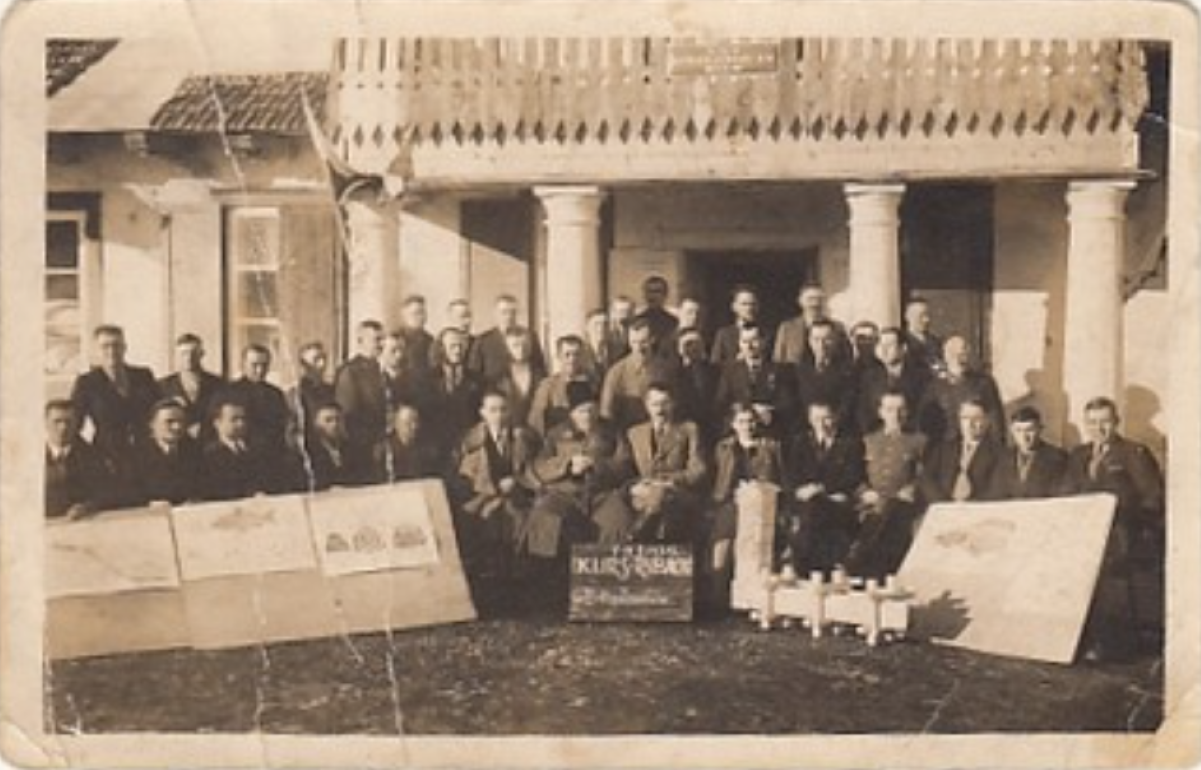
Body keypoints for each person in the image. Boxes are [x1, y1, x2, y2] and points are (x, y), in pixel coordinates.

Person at [1062, 397, 1165, 662]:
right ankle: (1079, 641)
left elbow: (1153, 497)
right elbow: (1065, 492)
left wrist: (1122, 515)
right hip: (1083, 535)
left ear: (1116, 422)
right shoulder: (1078, 455)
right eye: (1092, 423)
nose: (1099, 429)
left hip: (1120, 536)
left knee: (1111, 583)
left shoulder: (1134, 453)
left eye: (1105, 422)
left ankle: (1112, 645)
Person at [593, 383, 707, 545]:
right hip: (644, 491)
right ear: (646, 406)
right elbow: (624, 468)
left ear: (673, 404)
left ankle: (634, 536)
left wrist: (669, 481)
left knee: (660, 495)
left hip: (677, 493)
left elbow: (698, 469)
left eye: (665, 403)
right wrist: (632, 486)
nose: (660, 410)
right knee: (617, 506)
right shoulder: (634, 433)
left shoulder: (689, 429)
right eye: (655, 404)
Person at [526, 382, 624, 560]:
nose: (587, 416)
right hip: (565, 494)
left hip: (602, 494)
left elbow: (625, 464)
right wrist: (567, 465)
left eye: (591, 410)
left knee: (618, 519)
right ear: (571, 413)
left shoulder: (612, 431)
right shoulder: (556, 434)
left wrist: (597, 465)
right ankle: (543, 570)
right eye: (581, 411)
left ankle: (604, 571)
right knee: (544, 514)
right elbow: (540, 466)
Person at [453, 391, 542, 578]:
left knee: (520, 521)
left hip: (516, 496)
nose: (499, 415)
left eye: (503, 410)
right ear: (483, 413)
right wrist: (494, 489)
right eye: (493, 410)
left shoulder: (521, 438)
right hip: (483, 497)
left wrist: (516, 481)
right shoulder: (471, 441)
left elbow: (530, 469)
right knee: (485, 523)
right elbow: (466, 477)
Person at [843, 391, 927, 578]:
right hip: (870, 502)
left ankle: (854, 565)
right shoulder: (868, 441)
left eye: (900, 410)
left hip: (901, 504)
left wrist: (912, 488)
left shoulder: (919, 441)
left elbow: (925, 475)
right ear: (880, 412)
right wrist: (863, 492)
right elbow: (854, 475)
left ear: (907, 412)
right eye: (889, 409)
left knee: (889, 511)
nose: (895, 415)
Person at [708, 403, 786, 597]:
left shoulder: (770, 446)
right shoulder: (724, 447)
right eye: (741, 422)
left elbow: (781, 479)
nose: (747, 426)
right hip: (731, 502)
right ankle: (719, 596)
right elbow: (719, 482)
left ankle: (755, 595)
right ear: (733, 424)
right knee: (722, 543)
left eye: (751, 421)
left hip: (762, 504)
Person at [787, 400, 866, 575]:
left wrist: (822, 489)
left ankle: (810, 568)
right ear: (809, 419)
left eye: (826, 418)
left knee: (819, 514)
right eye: (816, 419)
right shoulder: (800, 442)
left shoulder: (849, 444)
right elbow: (792, 477)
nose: (822, 424)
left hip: (837, 502)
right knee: (810, 511)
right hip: (806, 502)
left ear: (835, 417)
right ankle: (807, 568)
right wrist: (800, 491)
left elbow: (853, 476)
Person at [70, 325, 159, 464]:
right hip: (106, 459)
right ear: (96, 351)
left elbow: (160, 413)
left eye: (116, 345)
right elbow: (73, 425)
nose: (111, 351)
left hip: (145, 455)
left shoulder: (143, 376)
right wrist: (87, 455)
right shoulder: (87, 383)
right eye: (105, 346)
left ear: (125, 348)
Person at [715, 323, 797, 439]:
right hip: (739, 432)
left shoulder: (779, 370)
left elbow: (788, 404)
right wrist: (747, 410)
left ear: (763, 342)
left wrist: (771, 413)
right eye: (744, 342)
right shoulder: (730, 372)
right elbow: (721, 404)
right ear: (739, 344)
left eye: (754, 341)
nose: (749, 346)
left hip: (770, 431)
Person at [917, 335, 1005, 443]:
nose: (959, 360)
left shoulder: (983, 383)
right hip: (945, 446)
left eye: (963, 354)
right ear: (946, 357)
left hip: (977, 444)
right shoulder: (934, 387)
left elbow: (996, 421)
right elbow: (925, 424)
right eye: (953, 354)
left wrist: (997, 446)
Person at [920, 399, 1009, 504]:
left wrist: (967, 507)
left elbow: (996, 489)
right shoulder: (943, 449)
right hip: (943, 508)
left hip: (977, 509)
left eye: (976, 418)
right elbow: (926, 479)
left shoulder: (999, 453)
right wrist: (944, 503)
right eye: (965, 418)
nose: (970, 424)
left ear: (987, 421)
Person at [199, 397, 285, 501]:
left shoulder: (258, 450)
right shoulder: (207, 456)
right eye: (234, 419)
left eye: (243, 419)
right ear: (217, 423)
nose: (241, 424)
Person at [599, 318, 676, 432]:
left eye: (643, 342)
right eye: (634, 342)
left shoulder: (666, 370)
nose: (639, 348)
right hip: (628, 434)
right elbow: (606, 415)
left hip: (661, 432)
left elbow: (676, 406)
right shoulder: (616, 373)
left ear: (652, 339)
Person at [335, 324, 402, 451]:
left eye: (382, 339)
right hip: (361, 446)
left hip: (383, 444)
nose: (381, 344)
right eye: (376, 340)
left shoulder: (381, 371)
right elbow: (348, 416)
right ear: (361, 341)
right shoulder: (350, 372)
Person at [44, 400, 115, 519]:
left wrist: (87, 507)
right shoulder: (31, 458)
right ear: (45, 423)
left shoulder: (94, 457)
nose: (63, 427)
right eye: (57, 421)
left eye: (68, 422)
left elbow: (106, 495)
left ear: (77, 424)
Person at [854, 327, 930, 435]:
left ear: (903, 349)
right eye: (881, 344)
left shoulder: (922, 377)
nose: (884, 350)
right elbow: (864, 412)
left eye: (889, 345)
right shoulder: (869, 377)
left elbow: (923, 411)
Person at [424, 327, 484, 463]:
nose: (457, 351)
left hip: (469, 449)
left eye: (461, 346)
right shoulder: (427, 380)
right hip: (435, 448)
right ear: (441, 348)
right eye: (452, 346)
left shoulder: (477, 380)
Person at [129, 399, 204, 506]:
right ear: (152, 424)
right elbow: (130, 493)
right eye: (169, 422)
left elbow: (203, 486)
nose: (177, 427)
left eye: (181, 421)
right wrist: (149, 503)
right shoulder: (136, 455)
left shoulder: (194, 450)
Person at [218, 344, 292, 452]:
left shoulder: (275, 394)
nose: (260, 370)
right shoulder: (227, 392)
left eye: (264, 365)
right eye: (254, 365)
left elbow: (282, 425)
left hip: (273, 453)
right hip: (241, 453)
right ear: (243, 364)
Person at [467, 294, 547, 385]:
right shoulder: (483, 341)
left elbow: (540, 370)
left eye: (513, 312)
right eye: (504, 312)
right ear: (495, 314)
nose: (509, 317)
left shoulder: (530, 337)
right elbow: (473, 375)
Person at [157, 333, 224, 440]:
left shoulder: (218, 384)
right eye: (184, 353)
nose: (189, 358)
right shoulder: (163, 386)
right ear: (177, 356)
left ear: (202, 354)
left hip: (210, 441)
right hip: (177, 441)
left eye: (194, 353)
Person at [528, 335, 597, 436]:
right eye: (567, 355)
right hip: (559, 438)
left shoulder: (593, 383)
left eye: (577, 354)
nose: (572, 359)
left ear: (583, 356)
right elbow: (536, 420)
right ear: (559, 357)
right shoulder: (547, 386)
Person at [794, 319, 856, 432]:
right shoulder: (799, 370)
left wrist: (830, 422)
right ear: (809, 341)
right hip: (805, 431)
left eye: (827, 339)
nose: (821, 345)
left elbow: (848, 404)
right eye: (816, 339)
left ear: (835, 340)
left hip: (835, 430)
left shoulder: (847, 371)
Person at [773, 283, 850, 366]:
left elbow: (847, 360)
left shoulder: (837, 328)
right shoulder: (787, 328)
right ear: (800, 301)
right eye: (810, 299)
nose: (815, 304)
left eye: (819, 299)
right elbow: (778, 360)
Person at [302, 401, 370, 491]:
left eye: (338, 419)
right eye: (328, 420)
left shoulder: (357, 451)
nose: (334, 425)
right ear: (317, 425)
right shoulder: (309, 453)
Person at [1002, 406, 1069, 499]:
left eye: (1029, 430)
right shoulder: (1002, 458)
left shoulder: (1057, 458)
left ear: (1040, 429)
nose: (1024, 437)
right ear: (1011, 431)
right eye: (1018, 430)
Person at [671, 328, 719, 445]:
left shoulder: (717, 371)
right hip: (686, 432)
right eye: (688, 344)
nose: (693, 348)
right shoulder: (672, 374)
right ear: (679, 348)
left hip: (715, 430)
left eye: (697, 343)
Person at [374, 403, 441, 483]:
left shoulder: (428, 451)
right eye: (408, 423)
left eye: (416, 421)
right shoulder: (384, 451)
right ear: (396, 424)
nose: (414, 427)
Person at [494, 327, 544, 429]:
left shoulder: (541, 375)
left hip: (535, 431)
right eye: (515, 345)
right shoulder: (498, 378)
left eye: (525, 345)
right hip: (507, 430)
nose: (521, 350)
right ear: (507, 348)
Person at [288, 341, 335, 439]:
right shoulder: (296, 395)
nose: (322, 364)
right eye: (316, 360)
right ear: (304, 365)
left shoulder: (332, 391)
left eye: (324, 358)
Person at [710, 285, 766, 365]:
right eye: (744, 304)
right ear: (734, 307)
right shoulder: (724, 335)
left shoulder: (766, 335)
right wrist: (736, 362)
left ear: (758, 306)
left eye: (753, 304)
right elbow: (715, 365)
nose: (749, 308)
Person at [633, 275, 679, 351]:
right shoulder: (636, 321)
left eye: (657, 291)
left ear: (665, 295)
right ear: (644, 295)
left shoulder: (673, 322)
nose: (652, 296)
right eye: (649, 291)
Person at [397, 294, 436, 379]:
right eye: (416, 313)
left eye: (423, 313)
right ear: (404, 316)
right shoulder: (396, 339)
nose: (421, 317)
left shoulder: (430, 340)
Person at [903, 297, 945, 374]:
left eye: (927, 315)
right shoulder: (901, 341)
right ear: (907, 316)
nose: (926, 320)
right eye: (921, 316)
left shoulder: (937, 342)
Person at [581, 308, 619, 379]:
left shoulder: (618, 353)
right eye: (596, 324)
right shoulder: (580, 354)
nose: (601, 328)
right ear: (587, 328)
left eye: (605, 324)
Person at [606, 295, 635, 362]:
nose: (624, 315)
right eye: (620, 312)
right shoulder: (607, 334)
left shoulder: (638, 333)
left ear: (633, 313)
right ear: (612, 313)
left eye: (628, 311)